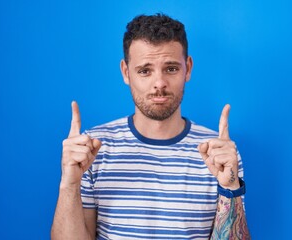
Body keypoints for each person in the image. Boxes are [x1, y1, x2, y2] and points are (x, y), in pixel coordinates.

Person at [51, 13, 250, 240]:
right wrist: (69, 183)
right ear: (126, 72)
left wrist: (230, 188)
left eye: (171, 69)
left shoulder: (219, 153)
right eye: (145, 70)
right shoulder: (93, 149)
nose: (159, 84)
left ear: (188, 68)